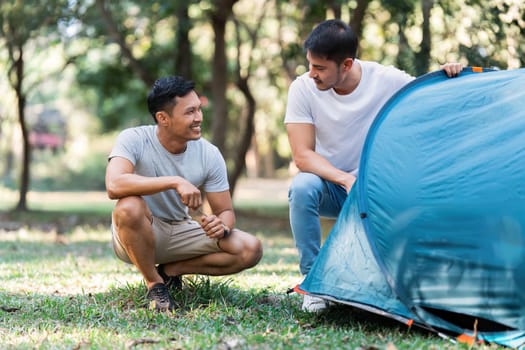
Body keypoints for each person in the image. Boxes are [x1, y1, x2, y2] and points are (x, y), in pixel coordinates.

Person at [284, 19, 463, 312]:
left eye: (319, 68)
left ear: (346, 64)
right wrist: (344, 179)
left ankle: (412, 280)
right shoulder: (303, 88)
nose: (311, 73)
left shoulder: (386, 80)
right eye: (310, 65)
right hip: (335, 187)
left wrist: (449, 73)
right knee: (302, 186)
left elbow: (428, 96)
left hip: (378, 191)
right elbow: (302, 156)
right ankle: (313, 282)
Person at [105, 75, 263, 312]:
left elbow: (225, 211)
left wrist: (222, 226)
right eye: (190, 112)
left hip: (180, 230)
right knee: (128, 206)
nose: (199, 117)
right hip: (138, 232)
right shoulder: (134, 139)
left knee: (251, 248)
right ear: (163, 118)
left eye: (199, 109)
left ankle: (170, 271)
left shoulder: (209, 154)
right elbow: (114, 185)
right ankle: (155, 284)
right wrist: (174, 181)